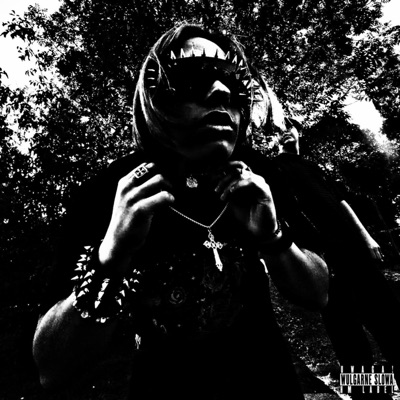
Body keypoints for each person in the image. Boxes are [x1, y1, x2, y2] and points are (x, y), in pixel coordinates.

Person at [31, 23, 330, 400]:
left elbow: (318, 294)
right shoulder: (109, 194)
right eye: (194, 78)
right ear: (153, 98)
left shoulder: (258, 178)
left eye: (234, 83)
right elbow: (52, 368)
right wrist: (112, 256)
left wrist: (274, 238)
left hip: (271, 386)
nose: (221, 91)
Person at [271, 114, 400, 396]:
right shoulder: (274, 169)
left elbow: (342, 202)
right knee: (348, 337)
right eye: (278, 130)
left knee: (389, 319)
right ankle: (370, 395)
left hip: (354, 253)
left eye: (289, 127)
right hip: (323, 264)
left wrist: (366, 238)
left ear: (298, 131)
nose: (286, 132)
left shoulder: (311, 165)